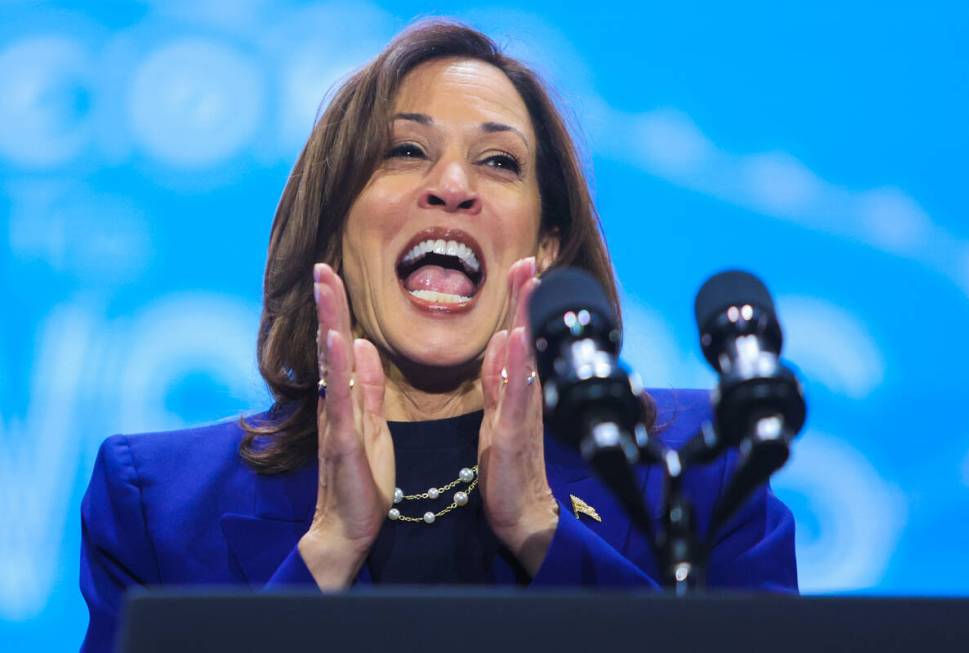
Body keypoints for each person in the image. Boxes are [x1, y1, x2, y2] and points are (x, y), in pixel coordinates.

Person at [79, 19, 797, 652]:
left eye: (498, 161)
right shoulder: (159, 505)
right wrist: (327, 551)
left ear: (545, 248)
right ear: (335, 229)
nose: (453, 183)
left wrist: (540, 529)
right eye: (404, 151)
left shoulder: (697, 473)